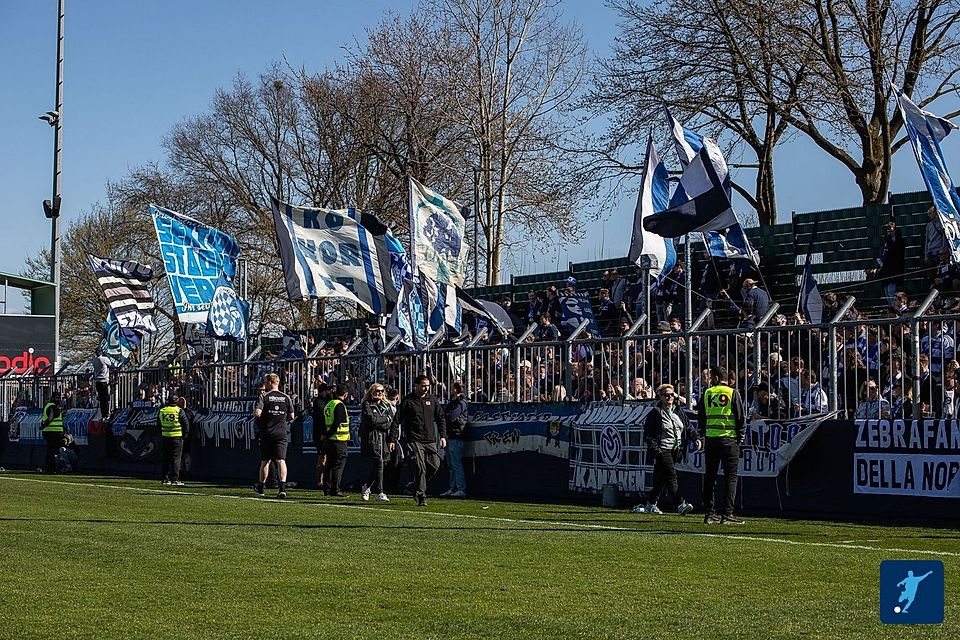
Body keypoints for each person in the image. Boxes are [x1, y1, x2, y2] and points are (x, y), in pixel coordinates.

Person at [635, 383, 701, 515]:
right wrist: (656, 450)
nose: (670, 398)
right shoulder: (655, 413)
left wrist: (696, 438)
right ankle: (680, 503)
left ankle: (650, 504)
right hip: (663, 449)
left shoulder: (678, 410)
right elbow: (649, 435)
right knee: (671, 475)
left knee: (661, 478)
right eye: (666, 395)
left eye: (672, 395)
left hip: (675, 450)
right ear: (660, 397)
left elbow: (687, 426)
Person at [698, 366, 746, 525]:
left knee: (710, 477)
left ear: (716, 378)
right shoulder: (733, 393)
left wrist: (706, 433)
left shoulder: (707, 393)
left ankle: (709, 514)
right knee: (730, 478)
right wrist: (739, 439)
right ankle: (727, 514)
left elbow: (701, 418)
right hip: (729, 440)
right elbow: (740, 418)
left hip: (711, 440)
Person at [392, 374, 447, 507]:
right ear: (416, 385)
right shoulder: (408, 400)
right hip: (414, 439)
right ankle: (421, 495)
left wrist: (443, 435)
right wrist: (392, 438)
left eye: (427, 386)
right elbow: (397, 420)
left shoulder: (432, 400)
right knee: (420, 466)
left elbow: (441, 418)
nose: (426, 388)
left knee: (435, 465)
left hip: (430, 439)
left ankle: (415, 486)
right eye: (423, 386)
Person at [252, 373, 295, 499]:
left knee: (265, 461)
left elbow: (257, 413)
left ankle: (261, 487)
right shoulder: (286, 397)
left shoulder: (264, 397)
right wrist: (280, 419)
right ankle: (282, 488)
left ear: (271, 382)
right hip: (281, 433)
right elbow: (291, 416)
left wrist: (266, 419)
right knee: (281, 460)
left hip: (267, 433)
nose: (264, 385)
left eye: (265, 382)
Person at [359, 383, 394, 502]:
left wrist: (382, 421)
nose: (380, 393)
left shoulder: (386, 405)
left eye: (382, 391)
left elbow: (391, 422)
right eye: (377, 391)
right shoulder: (367, 404)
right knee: (378, 461)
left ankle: (367, 486)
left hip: (383, 437)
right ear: (372, 392)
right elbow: (371, 420)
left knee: (382, 463)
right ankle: (380, 492)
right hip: (372, 437)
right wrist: (384, 420)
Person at [322, 384, 352, 497]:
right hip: (339, 439)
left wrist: (326, 435)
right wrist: (330, 434)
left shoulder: (329, 404)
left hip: (330, 441)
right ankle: (336, 489)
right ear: (345, 394)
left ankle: (327, 489)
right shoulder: (339, 405)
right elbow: (337, 423)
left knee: (329, 465)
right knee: (338, 466)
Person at [441, 381, 468, 498]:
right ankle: (452, 488)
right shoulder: (453, 403)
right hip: (450, 435)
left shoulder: (461, 403)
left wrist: (444, 417)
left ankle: (460, 488)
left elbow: (451, 417)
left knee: (456, 464)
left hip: (456, 436)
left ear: (455, 390)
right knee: (451, 465)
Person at [158, 395, 188, 486]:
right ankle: (175, 479)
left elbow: (158, 423)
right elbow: (186, 424)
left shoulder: (162, 410)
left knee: (165, 458)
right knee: (176, 458)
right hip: (177, 437)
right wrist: (184, 436)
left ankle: (165, 478)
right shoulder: (179, 411)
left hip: (165, 437)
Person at [311, 383, 332, 492]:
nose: (329, 392)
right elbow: (322, 416)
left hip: (327, 433)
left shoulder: (328, 401)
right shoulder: (318, 402)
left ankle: (326, 480)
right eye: (327, 390)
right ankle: (320, 481)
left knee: (327, 458)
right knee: (322, 458)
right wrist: (322, 433)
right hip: (320, 434)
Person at [40, 390, 65, 475]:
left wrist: (43, 426)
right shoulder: (53, 407)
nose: (59, 400)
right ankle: (53, 468)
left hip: (49, 431)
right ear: (53, 398)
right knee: (54, 451)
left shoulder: (48, 405)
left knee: (50, 451)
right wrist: (45, 424)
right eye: (58, 398)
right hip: (54, 432)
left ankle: (49, 468)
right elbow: (50, 417)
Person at [90, 349, 112, 420]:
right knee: (106, 397)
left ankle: (103, 414)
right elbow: (111, 365)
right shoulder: (104, 359)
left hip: (97, 381)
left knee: (101, 398)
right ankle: (107, 413)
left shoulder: (94, 361)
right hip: (104, 380)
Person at [177, 396, 195, 480]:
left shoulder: (183, 413)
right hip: (184, 436)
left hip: (184, 436)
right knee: (183, 455)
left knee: (184, 455)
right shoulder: (188, 413)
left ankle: (185, 472)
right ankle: (182, 471)